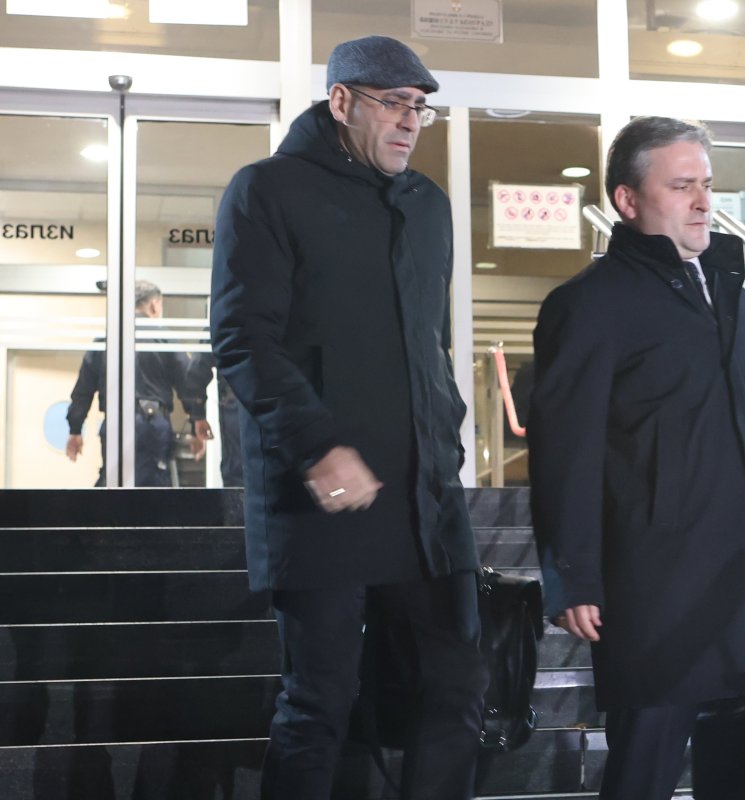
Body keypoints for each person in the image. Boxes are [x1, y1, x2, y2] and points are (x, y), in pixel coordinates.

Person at [528, 117, 745, 799]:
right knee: (644, 773)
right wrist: (573, 576)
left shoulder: (732, 296)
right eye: (682, 186)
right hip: (661, 581)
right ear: (628, 200)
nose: (704, 201)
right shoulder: (588, 304)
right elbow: (565, 450)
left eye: (707, 184)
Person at [208, 35, 486, 800]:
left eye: (420, 108)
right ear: (340, 102)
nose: (410, 121)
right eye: (393, 103)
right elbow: (242, 338)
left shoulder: (429, 206)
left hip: (424, 499)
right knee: (321, 702)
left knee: (457, 688)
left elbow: (429, 344)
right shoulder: (267, 189)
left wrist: (445, 435)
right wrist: (318, 445)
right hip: (322, 496)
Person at [66, 279, 211, 486]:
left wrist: (75, 429)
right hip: (151, 425)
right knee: (151, 490)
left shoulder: (107, 339)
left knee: (114, 483)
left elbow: (83, 390)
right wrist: (197, 419)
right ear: (154, 305)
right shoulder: (162, 338)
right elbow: (188, 382)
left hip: (114, 423)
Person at [185, 353, 244, 487]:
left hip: (236, 403)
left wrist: (198, 415)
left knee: (238, 477)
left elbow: (197, 366)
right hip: (279, 403)